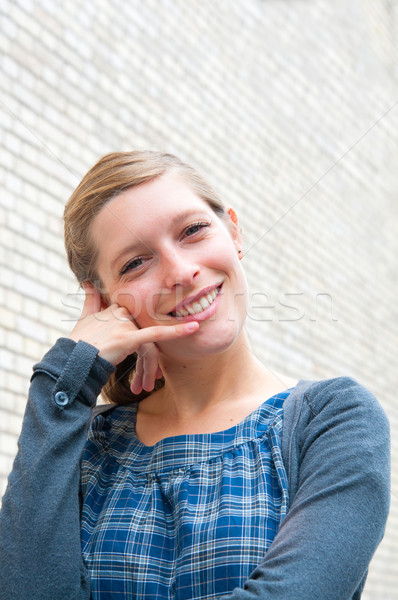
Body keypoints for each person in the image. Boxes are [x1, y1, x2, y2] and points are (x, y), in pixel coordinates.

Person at [0, 151, 390, 600]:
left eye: (192, 231)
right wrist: (66, 379)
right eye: (135, 263)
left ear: (234, 232)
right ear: (108, 305)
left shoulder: (333, 420)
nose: (182, 272)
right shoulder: (83, 446)